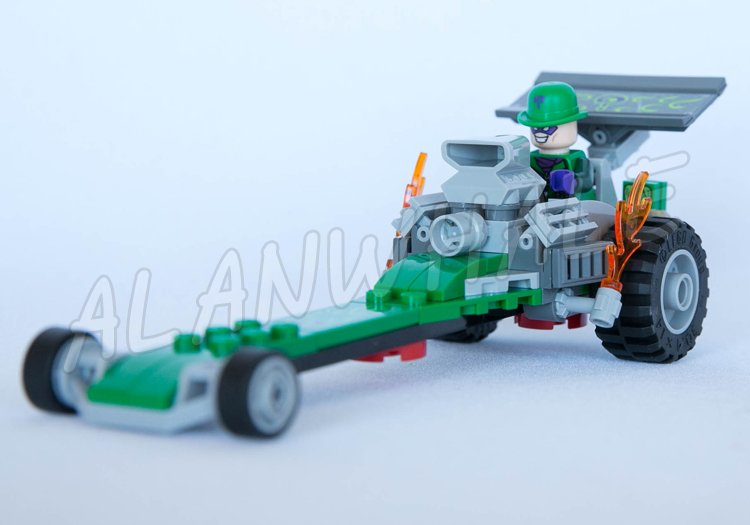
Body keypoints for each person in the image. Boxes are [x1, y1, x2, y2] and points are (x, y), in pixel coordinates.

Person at [517, 81, 592, 199]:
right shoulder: (529, 160)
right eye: (535, 128)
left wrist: (573, 182)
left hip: (573, 205)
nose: (540, 133)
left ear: (573, 126)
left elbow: (586, 182)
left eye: (547, 128)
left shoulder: (579, 160)